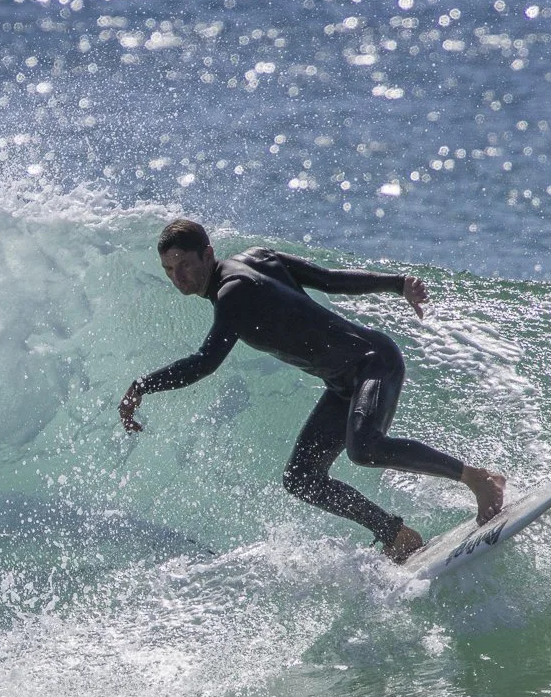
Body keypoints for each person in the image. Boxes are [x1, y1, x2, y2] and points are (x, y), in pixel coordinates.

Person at [119, 220, 505, 563]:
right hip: (344, 383)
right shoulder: (258, 257)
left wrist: (143, 386)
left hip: (373, 363)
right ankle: (395, 534)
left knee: (365, 448)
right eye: (169, 269)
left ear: (207, 253)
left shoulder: (232, 293)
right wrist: (397, 284)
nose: (178, 277)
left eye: (185, 264)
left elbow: (204, 361)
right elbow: (328, 279)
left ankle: (477, 479)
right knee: (302, 477)